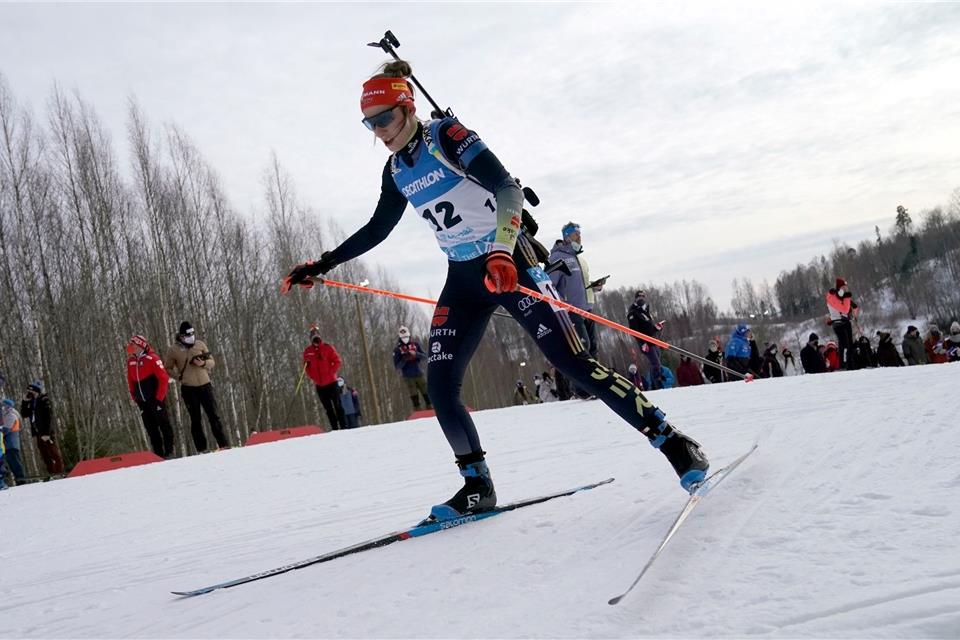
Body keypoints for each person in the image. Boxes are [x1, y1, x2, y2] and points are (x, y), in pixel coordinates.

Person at [279, 59, 709, 519]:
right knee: (441, 383)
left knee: (572, 363)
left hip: (509, 263)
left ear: (406, 108)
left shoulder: (445, 136)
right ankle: (476, 486)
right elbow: (377, 228)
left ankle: (674, 442)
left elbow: (507, 189)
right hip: (463, 278)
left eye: (384, 118)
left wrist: (503, 249)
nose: (378, 131)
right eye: (370, 123)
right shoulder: (395, 170)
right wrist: (321, 264)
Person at [163, 321, 230, 453]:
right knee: (195, 419)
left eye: (193, 333)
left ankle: (224, 444)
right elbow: (167, 368)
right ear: (181, 336)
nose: (191, 336)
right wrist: (178, 377)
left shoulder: (200, 344)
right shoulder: (173, 350)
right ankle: (202, 448)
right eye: (188, 335)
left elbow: (212, 362)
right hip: (189, 388)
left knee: (214, 415)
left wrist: (203, 363)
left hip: (205, 385)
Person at [126, 335, 175, 458]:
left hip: (155, 399)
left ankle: (169, 452)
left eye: (133, 345)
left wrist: (159, 398)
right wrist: (134, 397)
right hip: (142, 401)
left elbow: (164, 379)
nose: (131, 347)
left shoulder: (152, 358)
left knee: (164, 425)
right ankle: (157, 455)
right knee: (151, 429)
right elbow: (130, 380)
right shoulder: (131, 361)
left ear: (140, 345)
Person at [303, 326, 346, 431]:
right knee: (328, 409)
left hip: (332, 383)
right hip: (320, 386)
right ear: (311, 339)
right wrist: (313, 376)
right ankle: (335, 428)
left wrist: (331, 372)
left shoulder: (327, 348)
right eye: (313, 337)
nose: (315, 339)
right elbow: (306, 367)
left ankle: (344, 427)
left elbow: (337, 361)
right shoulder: (308, 352)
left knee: (338, 405)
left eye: (317, 337)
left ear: (320, 337)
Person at [20, 380, 63, 475]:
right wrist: (24, 402)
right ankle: (52, 473)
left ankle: (59, 472)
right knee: (45, 455)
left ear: (36, 391)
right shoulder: (31, 402)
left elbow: (48, 417)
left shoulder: (44, 399)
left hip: (46, 432)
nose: (29, 393)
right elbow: (24, 414)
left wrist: (47, 433)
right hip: (37, 432)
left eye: (31, 391)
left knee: (53, 453)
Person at [627, 291, 665, 389]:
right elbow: (634, 331)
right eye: (639, 297)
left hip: (653, 340)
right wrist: (642, 343)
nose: (641, 299)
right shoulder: (633, 313)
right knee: (655, 363)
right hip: (646, 343)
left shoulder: (645, 310)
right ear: (635, 299)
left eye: (643, 297)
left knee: (658, 362)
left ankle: (654, 384)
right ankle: (658, 385)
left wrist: (656, 327)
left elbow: (649, 328)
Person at [392, 326, 431, 410]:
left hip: (419, 373)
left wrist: (416, 354)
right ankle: (417, 409)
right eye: (403, 337)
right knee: (413, 393)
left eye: (406, 337)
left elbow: (425, 356)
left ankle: (430, 407)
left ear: (409, 336)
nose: (405, 339)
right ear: (400, 337)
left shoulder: (416, 345)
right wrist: (404, 359)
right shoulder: (397, 350)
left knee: (426, 391)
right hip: (408, 376)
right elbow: (397, 366)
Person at [1, 398, 25, 485]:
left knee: (15, 461)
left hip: (11, 443)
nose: (2, 408)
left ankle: (21, 478)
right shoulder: (8, 414)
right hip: (9, 443)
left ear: (7, 406)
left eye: (3, 406)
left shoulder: (11, 415)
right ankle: (19, 478)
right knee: (12, 462)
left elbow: (6, 429)